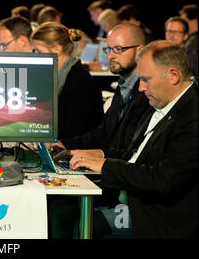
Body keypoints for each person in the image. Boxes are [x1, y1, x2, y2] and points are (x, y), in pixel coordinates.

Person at [69, 41, 198, 239]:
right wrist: (93, 156)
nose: (141, 88)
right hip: (133, 199)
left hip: (160, 218)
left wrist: (105, 166)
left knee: (72, 219)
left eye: (146, 80)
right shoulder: (162, 103)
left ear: (173, 75)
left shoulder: (192, 116)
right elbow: (134, 155)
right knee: (64, 207)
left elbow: (163, 180)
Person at [48, 23, 151, 239]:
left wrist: (97, 156)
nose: (112, 55)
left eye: (119, 49)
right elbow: (103, 132)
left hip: (123, 187)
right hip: (113, 176)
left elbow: (131, 152)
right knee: (56, 206)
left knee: (60, 210)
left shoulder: (146, 94)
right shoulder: (124, 86)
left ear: (140, 50)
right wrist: (67, 144)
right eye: (109, 49)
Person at [31, 22, 104, 139]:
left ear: (56, 50)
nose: (35, 56)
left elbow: (73, 131)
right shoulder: (61, 75)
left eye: (38, 51)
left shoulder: (79, 82)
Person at [179, 4, 198, 75]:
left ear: (194, 21)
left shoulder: (194, 41)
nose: (181, 25)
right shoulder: (191, 39)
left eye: (184, 21)